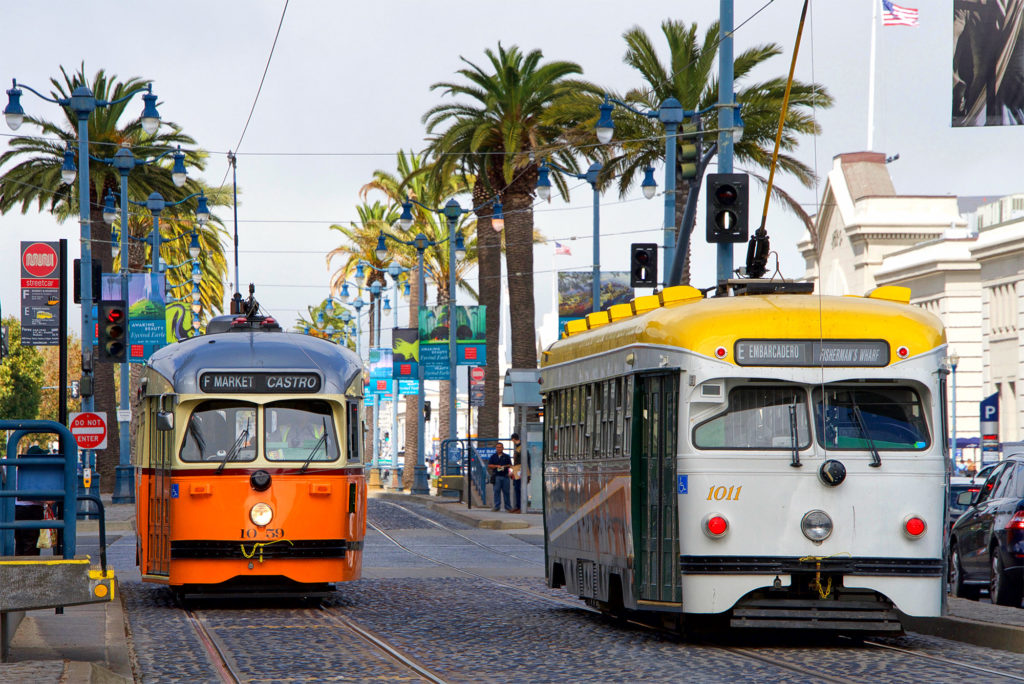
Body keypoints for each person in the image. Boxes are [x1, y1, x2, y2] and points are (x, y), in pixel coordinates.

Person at [487, 442, 514, 512]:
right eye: (497, 447)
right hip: (497, 476)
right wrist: (496, 466)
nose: (499, 448)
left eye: (500, 447)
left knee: (506, 492)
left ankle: (508, 507)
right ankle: (497, 506)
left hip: (505, 476)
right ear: (496, 448)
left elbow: (510, 465)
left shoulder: (507, 456)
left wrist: (506, 468)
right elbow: (489, 465)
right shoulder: (493, 456)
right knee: (496, 492)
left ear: (503, 448)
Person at [510, 433, 530, 513]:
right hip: (518, 471)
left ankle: (520, 507)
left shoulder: (521, 448)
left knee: (519, 489)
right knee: (517, 489)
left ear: (513, 439)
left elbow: (522, 461)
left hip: (520, 471)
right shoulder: (519, 447)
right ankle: (518, 506)